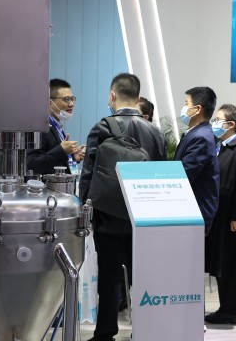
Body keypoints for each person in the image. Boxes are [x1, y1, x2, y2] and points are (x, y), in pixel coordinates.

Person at [79, 73, 166, 341]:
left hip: (108, 217)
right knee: (144, 277)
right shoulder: (155, 132)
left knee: (109, 279)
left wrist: (86, 210)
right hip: (144, 216)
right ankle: (147, 329)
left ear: (112, 95)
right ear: (138, 98)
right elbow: (160, 174)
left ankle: (105, 333)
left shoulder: (102, 127)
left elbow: (89, 173)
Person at [204, 104, 236, 326]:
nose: (214, 124)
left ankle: (230, 311)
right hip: (221, 214)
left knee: (233, 265)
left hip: (233, 218)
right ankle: (227, 309)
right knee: (223, 263)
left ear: (230, 125)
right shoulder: (222, 147)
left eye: (218, 120)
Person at [174, 86, 220, 231]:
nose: (184, 108)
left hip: (195, 211)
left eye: (186, 103)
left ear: (197, 109)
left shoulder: (201, 137)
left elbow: (184, 174)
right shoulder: (198, 133)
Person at [26, 78, 85, 175]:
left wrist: (72, 157)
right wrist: (61, 150)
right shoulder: (39, 127)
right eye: (66, 99)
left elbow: (54, 160)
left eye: (72, 99)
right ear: (49, 102)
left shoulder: (56, 126)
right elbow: (31, 165)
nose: (71, 104)